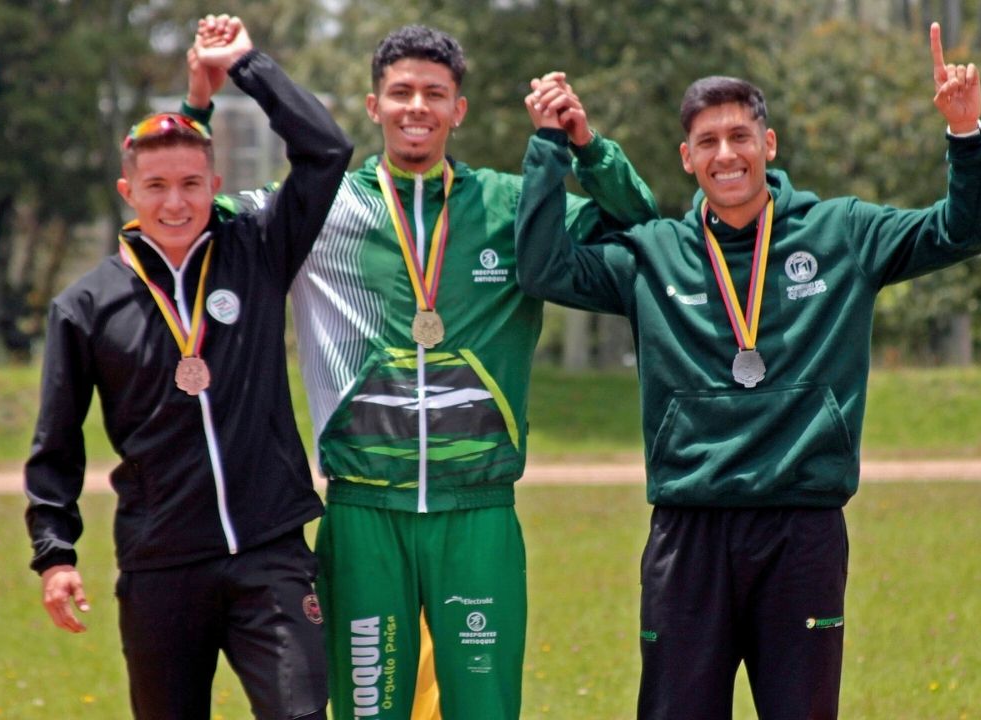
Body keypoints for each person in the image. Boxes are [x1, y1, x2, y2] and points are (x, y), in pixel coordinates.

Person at [515, 23, 981, 720]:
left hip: (801, 531)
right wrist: (549, 146)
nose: (726, 154)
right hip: (689, 533)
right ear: (688, 158)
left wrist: (966, 134)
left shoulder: (842, 234)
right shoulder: (652, 254)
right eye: (708, 142)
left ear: (768, 145)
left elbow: (962, 229)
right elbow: (543, 268)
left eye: (740, 136)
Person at [184, 23, 658, 720]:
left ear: (457, 110)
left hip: (479, 512)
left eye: (434, 94)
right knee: (368, 711)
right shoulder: (323, 208)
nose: (417, 106)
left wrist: (587, 147)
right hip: (363, 511)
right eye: (400, 92)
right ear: (373, 106)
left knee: (484, 711)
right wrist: (196, 106)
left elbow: (640, 226)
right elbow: (188, 213)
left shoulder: (507, 204)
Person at [24, 16, 351, 720]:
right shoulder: (86, 306)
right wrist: (55, 553)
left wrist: (247, 66)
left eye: (191, 184)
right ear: (128, 191)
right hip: (161, 564)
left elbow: (327, 151)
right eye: (157, 186)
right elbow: (57, 441)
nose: (175, 202)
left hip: (270, 552)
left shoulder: (258, 250)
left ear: (215, 184)